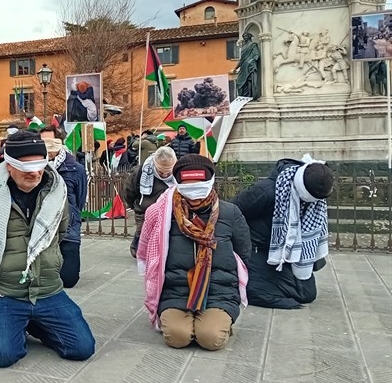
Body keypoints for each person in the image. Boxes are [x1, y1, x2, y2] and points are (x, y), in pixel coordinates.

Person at [0, 130, 95, 368]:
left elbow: (61, 232)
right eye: (25, 166)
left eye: (39, 165)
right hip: (7, 293)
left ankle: (35, 323)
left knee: (82, 348)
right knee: (4, 356)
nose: (34, 172)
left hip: (48, 291)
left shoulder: (57, 194)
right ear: (9, 166)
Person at [137, 154, 251, 351]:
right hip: (176, 291)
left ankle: (217, 321)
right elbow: (148, 248)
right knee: (177, 337)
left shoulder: (230, 213)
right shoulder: (163, 214)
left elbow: (244, 253)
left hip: (219, 291)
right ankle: (190, 320)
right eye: (188, 185)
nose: (194, 191)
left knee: (210, 338)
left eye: (199, 184)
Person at [233, 155, 332, 309]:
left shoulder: (314, 196)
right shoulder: (266, 191)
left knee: (307, 294)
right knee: (257, 289)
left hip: (284, 250)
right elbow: (233, 212)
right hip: (254, 248)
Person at [40, 125, 87, 288]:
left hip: (68, 227)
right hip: (43, 228)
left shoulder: (76, 169)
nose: (47, 147)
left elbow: (80, 198)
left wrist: (72, 215)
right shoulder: (36, 168)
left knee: (69, 280)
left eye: (50, 142)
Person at [124, 146, 177, 258]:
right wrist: (134, 206)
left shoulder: (177, 173)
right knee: (143, 234)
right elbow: (129, 191)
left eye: (168, 172)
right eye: (161, 172)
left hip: (168, 211)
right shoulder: (141, 171)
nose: (165, 175)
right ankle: (137, 249)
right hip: (144, 210)